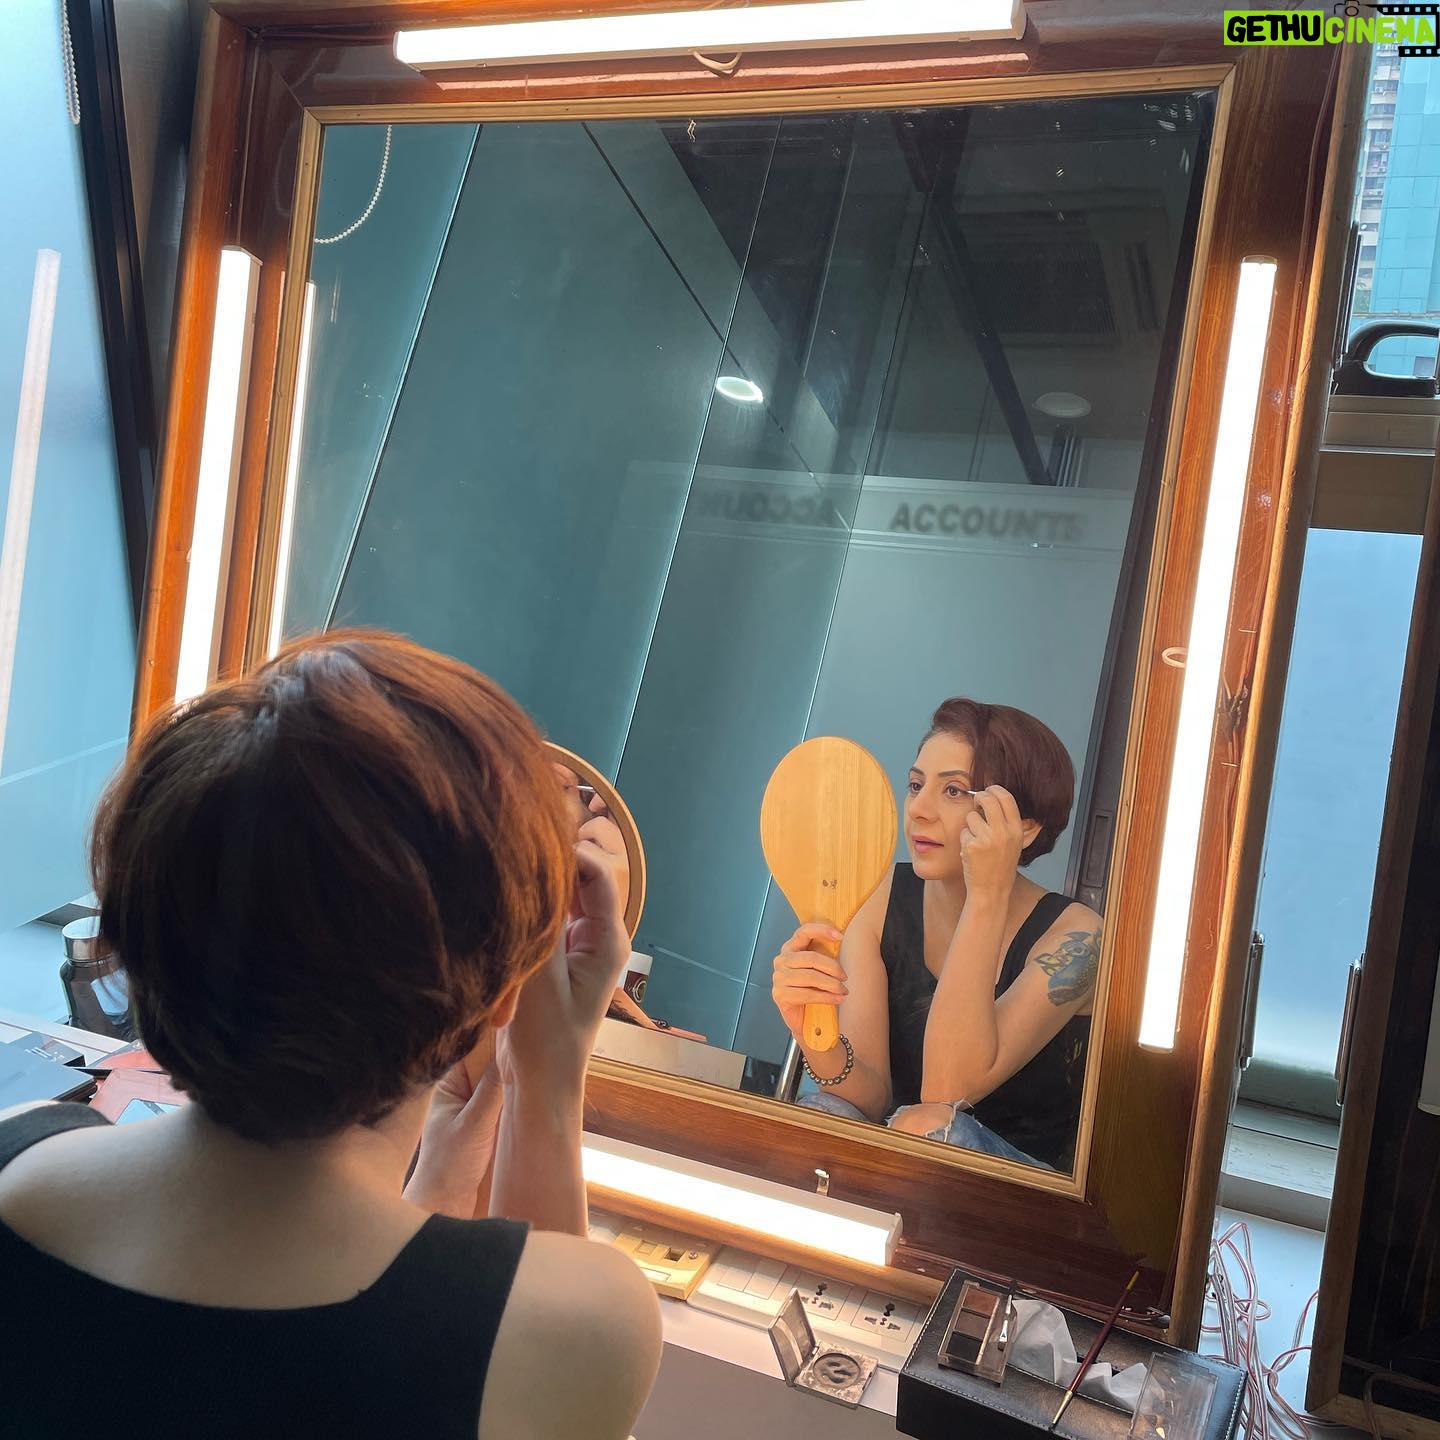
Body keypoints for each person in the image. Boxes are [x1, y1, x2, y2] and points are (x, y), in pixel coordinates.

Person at [0, 631, 662, 1438]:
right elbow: (491, 1337)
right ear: (500, 996)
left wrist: (448, 1158)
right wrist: (548, 1081)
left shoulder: (19, 1161)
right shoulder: (584, 1323)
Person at [770, 698, 1102, 1171]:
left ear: (1025, 828)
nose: (920, 810)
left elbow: (946, 1092)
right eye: (915, 785)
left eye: (954, 791)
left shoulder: (1077, 938)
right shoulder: (878, 898)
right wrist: (814, 1037)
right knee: (824, 1113)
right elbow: (869, 1097)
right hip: (900, 1152)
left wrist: (987, 895)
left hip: (1019, 1184)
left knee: (933, 1128)